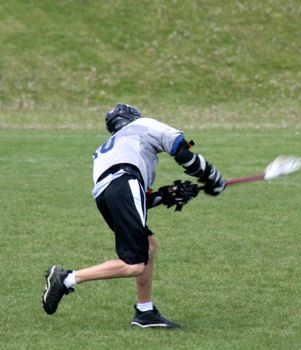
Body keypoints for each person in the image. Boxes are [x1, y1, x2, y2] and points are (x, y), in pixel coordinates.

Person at [42, 103, 226, 328]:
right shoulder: (142, 125)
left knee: (149, 246)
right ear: (132, 117)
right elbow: (180, 147)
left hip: (107, 195)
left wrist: (168, 194)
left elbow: (138, 198)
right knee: (135, 264)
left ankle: (144, 312)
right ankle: (66, 279)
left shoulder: (106, 148)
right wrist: (210, 175)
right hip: (126, 185)